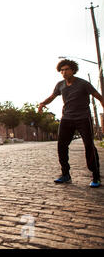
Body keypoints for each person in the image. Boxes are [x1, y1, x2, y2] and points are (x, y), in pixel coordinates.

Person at [38, 59, 102, 188]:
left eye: (66, 69)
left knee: (89, 145)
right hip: (67, 118)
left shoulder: (83, 84)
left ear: (73, 70)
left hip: (83, 118)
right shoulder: (60, 85)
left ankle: (95, 175)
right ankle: (65, 174)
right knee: (61, 145)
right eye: (62, 70)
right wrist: (43, 103)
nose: (64, 72)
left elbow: (99, 97)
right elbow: (52, 96)